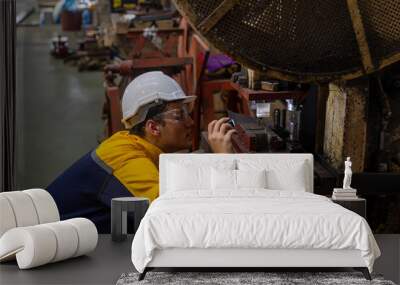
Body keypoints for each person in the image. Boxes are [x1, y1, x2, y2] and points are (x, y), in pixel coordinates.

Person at [47, 71, 236, 233]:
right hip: (46, 248)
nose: (191, 122)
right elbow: (172, 216)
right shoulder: (125, 157)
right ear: (153, 127)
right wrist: (223, 161)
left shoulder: (136, 147)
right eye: (180, 116)